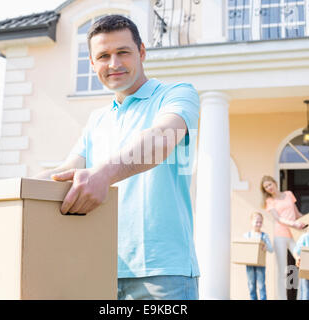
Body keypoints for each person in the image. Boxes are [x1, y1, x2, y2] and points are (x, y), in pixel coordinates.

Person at [33, 15, 200, 300]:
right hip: (99, 268)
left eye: (123, 52)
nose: (114, 64)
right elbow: (65, 171)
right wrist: (9, 194)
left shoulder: (177, 94)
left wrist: (104, 175)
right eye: (104, 56)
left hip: (163, 274)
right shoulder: (97, 119)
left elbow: (161, 138)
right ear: (92, 63)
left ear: (142, 52)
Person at [260, 175, 306, 300]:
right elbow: (278, 218)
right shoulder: (270, 201)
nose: (269, 188)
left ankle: (302, 297)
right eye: (266, 187)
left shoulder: (288, 194)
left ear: (275, 183)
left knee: (303, 264)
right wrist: (293, 224)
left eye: (270, 184)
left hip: (294, 236)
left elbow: (297, 214)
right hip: (280, 236)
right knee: (282, 270)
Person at [243, 212, 273, 300]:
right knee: (251, 285)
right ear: (251, 222)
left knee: (261, 285)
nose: (258, 224)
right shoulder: (246, 236)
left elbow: (271, 249)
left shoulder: (264, 236)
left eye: (260, 222)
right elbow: (243, 249)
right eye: (256, 222)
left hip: (260, 264)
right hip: (249, 264)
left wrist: (266, 246)